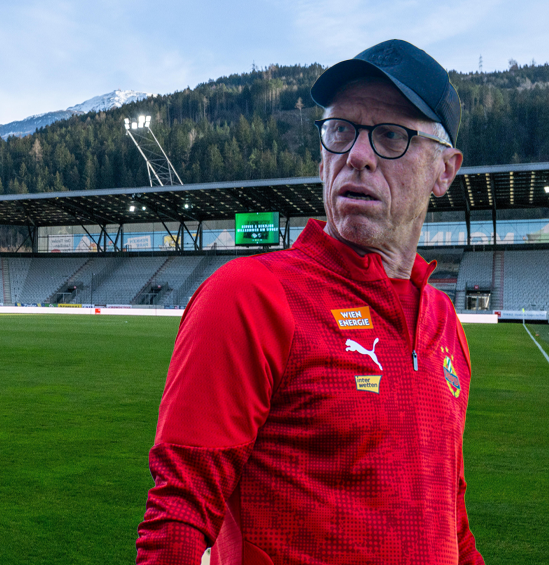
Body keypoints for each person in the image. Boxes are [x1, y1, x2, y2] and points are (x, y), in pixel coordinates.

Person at [136, 39, 484, 564]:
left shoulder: (444, 325)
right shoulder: (250, 297)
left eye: (390, 135)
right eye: (341, 131)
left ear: (445, 170)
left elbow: (449, 517)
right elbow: (177, 524)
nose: (358, 156)